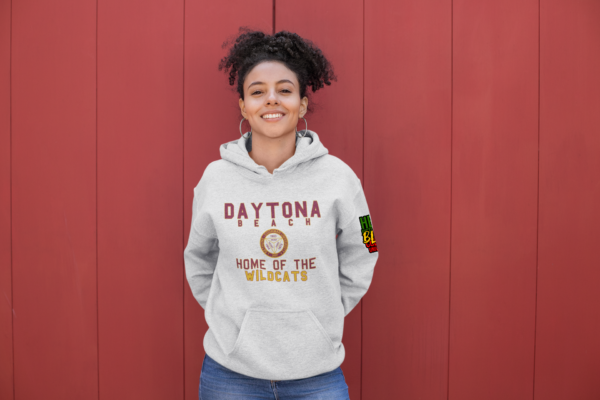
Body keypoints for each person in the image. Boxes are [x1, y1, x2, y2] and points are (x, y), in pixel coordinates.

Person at [184, 27, 379, 400]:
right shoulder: (215, 179)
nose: (271, 100)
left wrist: (324, 314)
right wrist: (233, 321)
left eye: (285, 90)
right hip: (231, 374)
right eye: (257, 91)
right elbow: (198, 255)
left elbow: (368, 243)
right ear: (243, 105)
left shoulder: (341, 178)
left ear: (302, 104)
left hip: (316, 375)